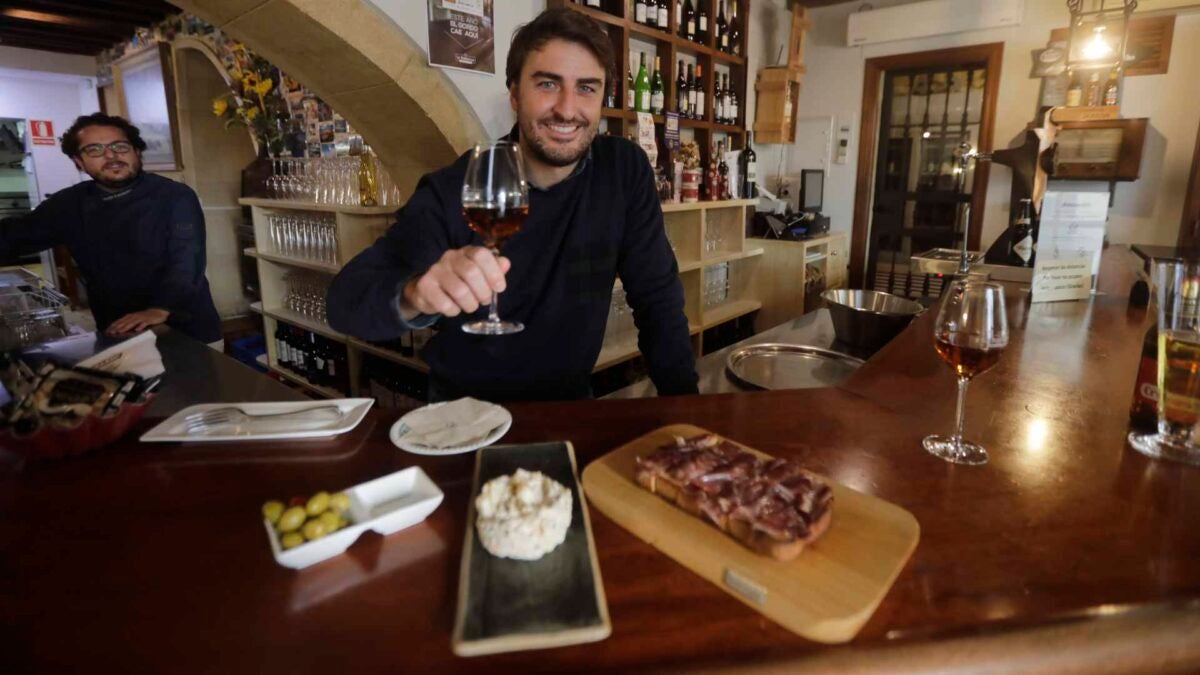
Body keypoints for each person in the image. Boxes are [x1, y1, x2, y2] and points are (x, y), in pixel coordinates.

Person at [328, 8, 698, 401]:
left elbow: (657, 299)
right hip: (463, 418)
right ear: (515, 94)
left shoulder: (623, 170)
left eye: (587, 88)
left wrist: (688, 410)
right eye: (548, 84)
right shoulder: (461, 187)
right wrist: (415, 294)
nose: (568, 109)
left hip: (570, 407)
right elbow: (345, 303)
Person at [0, 113, 221, 346]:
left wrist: (161, 308)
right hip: (117, 329)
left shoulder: (175, 196)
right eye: (94, 149)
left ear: (136, 151)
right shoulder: (69, 204)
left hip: (187, 328)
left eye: (120, 146)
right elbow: (16, 236)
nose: (111, 155)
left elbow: (187, 260)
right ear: (78, 161)